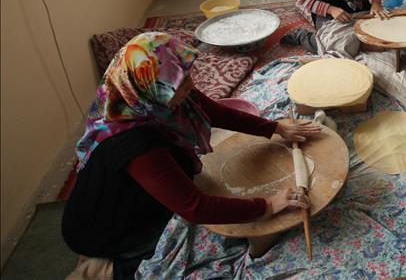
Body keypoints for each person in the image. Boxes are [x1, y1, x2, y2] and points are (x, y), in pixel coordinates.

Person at [62, 32, 321, 279]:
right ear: (151, 88)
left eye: (186, 77)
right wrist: (268, 205)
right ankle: (105, 269)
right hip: (107, 228)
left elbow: (214, 112)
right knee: (193, 249)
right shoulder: (137, 144)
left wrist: (275, 128)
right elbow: (195, 207)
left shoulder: (144, 92)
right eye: (180, 84)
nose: (190, 86)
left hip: (131, 192)